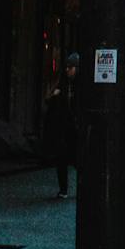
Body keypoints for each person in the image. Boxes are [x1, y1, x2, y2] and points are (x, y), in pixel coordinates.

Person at [43, 53, 79, 199]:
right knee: (63, 158)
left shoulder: (80, 85)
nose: (68, 70)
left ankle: (71, 188)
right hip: (63, 126)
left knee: (75, 158)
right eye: (67, 67)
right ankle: (63, 189)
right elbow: (49, 100)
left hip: (73, 126)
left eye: (71, 67)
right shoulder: (62, 84)